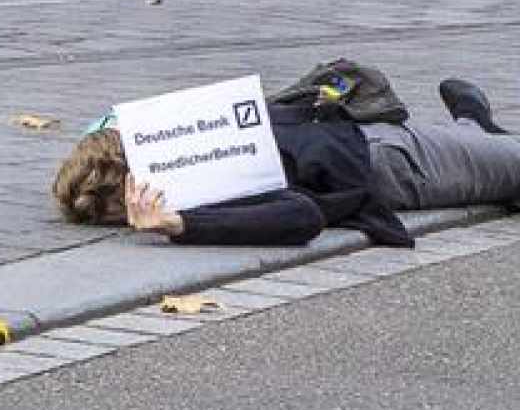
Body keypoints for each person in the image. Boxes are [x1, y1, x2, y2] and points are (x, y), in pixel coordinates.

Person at [53, 75, 514, 249]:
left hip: (386, 155)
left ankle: (476, 127)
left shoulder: (189, 172)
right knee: (498, 164)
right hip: (370, 158)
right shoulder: (193, 184)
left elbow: (302, 216)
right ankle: (476, 124)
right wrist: (182, 224)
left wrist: (179, 222)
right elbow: (300, 215)